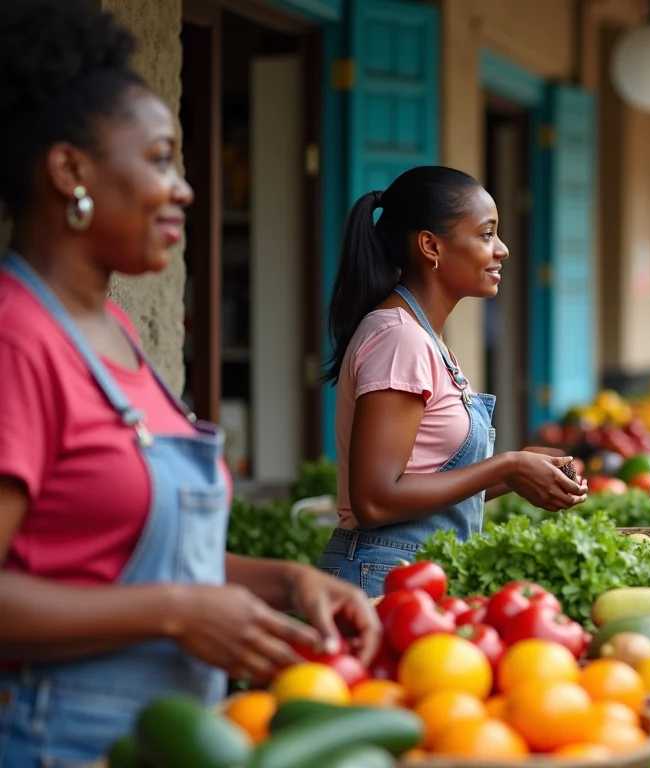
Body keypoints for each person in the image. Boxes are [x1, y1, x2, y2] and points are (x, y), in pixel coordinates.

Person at [0, 1, 380, 762]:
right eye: (161, 159)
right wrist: (175, 612)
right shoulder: (17, 337)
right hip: (54, 739)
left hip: (166, 736)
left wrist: (285, 583)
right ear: (70, 169)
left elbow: (118, 557)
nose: (185, 189)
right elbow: (158, 594)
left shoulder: (117, 333)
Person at [317, 166, 587, 597]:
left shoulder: (422, 336)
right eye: (485, 234)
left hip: (409, 573)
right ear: (430, 245)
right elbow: (375, 499)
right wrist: (507, 464)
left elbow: (426, 479)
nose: (503, 250)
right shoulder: (400, 338)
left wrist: (519, 472)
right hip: (381, 578)